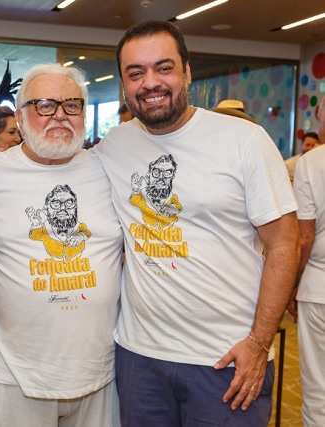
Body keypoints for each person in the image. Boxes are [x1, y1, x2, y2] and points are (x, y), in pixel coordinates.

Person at [94, 20, 300, 426]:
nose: (150, 83)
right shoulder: (114, 145)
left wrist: (259, 342)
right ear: (124, 84)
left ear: (187, 72)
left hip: (226, 359)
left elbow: (285, 243)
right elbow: (59, 169)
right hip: (140, 358)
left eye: (164, 68)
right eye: (135, 73)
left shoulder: (243, 140)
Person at [0, 63, 123, 427]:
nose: (60, 115)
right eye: (45, 105)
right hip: (16, 377)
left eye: (72, 105)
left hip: (100, 374)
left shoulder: (109, 168)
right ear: (20, 118)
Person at [292, 94, 325, 427]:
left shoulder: (311, 163)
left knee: (319, 391)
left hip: (319, 287)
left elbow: (304, 238)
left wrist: (291, 284)